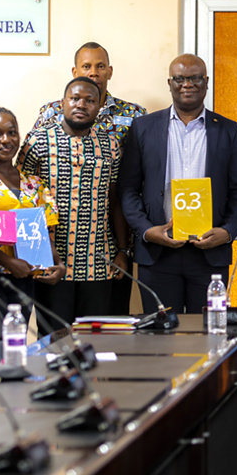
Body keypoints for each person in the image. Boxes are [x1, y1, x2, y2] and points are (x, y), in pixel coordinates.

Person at [118, 55, 237, 314]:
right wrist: (146, 230)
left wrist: (228, 232)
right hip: (157, 254)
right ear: (170, 83)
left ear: (206, 82)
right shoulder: (143, 127)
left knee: (210, 335)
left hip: (209, 254)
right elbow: (128, 189)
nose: (186, 84)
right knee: (162, 339)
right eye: (179, 78)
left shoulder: (228, 130)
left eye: (194, 78)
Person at [33, 42, 145, 315]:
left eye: (100, 66)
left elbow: (122, 189)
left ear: (110, 71)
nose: (93, 72)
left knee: (106, 329)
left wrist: (124, 249)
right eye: (86, 66)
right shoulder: (46, 119)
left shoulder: (133, 116)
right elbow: (28, 187)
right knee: (56, 334)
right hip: (53, 243)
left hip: (103, 244)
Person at [18, 77, 122, 328]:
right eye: (75, 98)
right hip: (51, 263)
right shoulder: (37, 141)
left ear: (99, 106)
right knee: (54, 342)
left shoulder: (110, 145)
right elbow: (22, 201)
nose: (81, 105)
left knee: (96, 341)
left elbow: (114, 200)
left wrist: (122, 250)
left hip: (98, 261)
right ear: (63, 102)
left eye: (90, 100)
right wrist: (33, 256)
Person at [0, 108, 65, 320]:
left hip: (25, 278)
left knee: (16, 343)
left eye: (12, 132)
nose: (5, 140)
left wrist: (59, 264)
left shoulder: (34, 183)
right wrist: (9, 263)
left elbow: (44, 233)